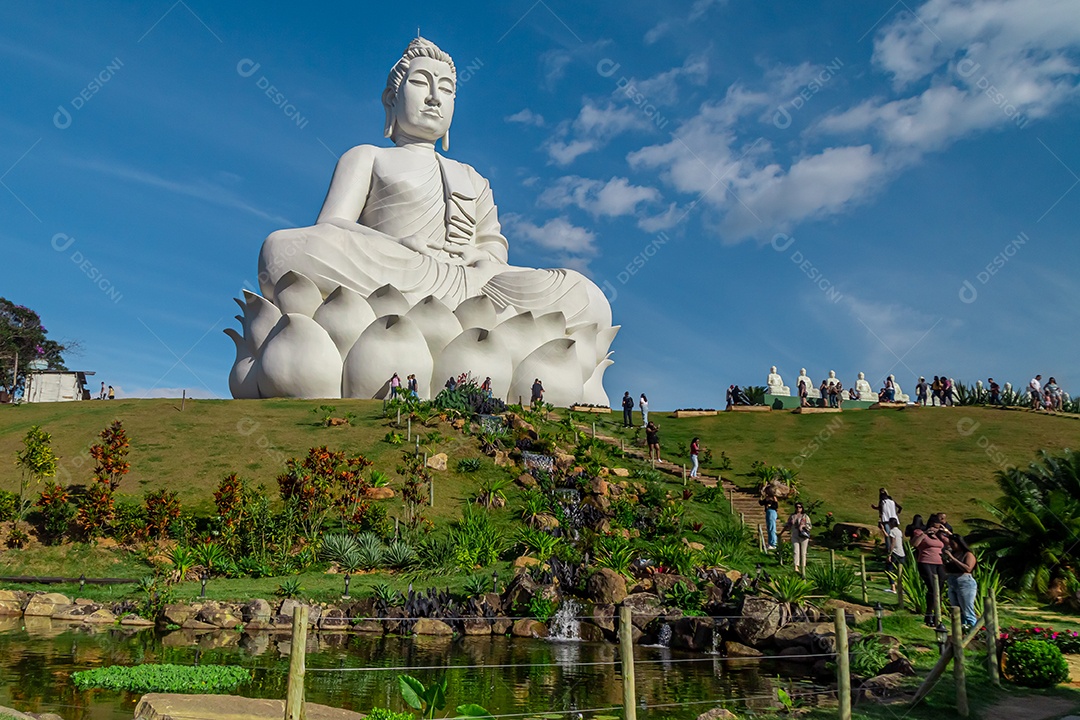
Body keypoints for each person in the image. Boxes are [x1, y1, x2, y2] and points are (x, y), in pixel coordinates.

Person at [913, 516, 947, 625]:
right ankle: (929, 614)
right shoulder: (920, 532)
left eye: (937, 527)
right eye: (934, 527)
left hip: (939, 563)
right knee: (932, 587)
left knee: (940, 588)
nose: (935, 529)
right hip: (926, 562)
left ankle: (937, 613)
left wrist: (945, 532)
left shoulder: (939, 536)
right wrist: (925, 533)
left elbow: (951, 542)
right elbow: (914, 544)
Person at [942, 534, 978, 629]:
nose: (951, 546)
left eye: (953, 544)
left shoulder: (968, 554)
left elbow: (968, 568)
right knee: (957, 610)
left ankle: (975, 631)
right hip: (953, 582)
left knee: (967, 610)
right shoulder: (953, 553)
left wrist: (953, 559)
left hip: (965, 583)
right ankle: (962, 631)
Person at [781, 502, 812, 574]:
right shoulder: (792, 516)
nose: (798, 509)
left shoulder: (805, 516)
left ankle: (803, 567)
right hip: (795, 534)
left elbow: (810, 526)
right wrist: (781, 533)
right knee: (795, 550)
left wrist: (803, 526)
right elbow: (787, 525)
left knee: (803, 552)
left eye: (800, 507)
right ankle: (796, 566)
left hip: (803, 535)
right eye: (797, 507)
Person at [886, 517, 906, 593]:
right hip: (901, 553)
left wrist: (889, 554)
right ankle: (902, 588)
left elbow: (892, 543)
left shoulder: (892, 531)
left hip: (895, 552)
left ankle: (893, 587)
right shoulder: (899, 531)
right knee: (900, 571)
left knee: (889, 570)